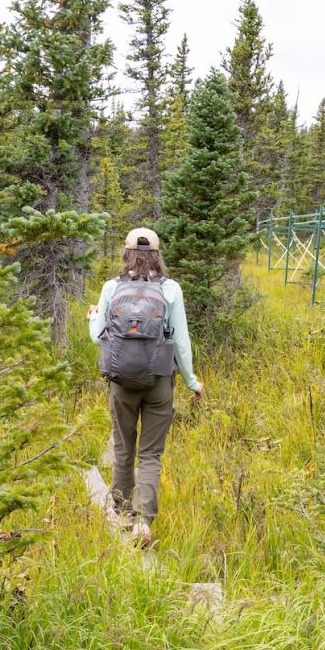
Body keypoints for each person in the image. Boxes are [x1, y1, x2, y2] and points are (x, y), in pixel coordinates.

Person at [88, 228, 204, 546]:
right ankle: (143, 523)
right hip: (159, 382)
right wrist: (192, 381)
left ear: (127, 253)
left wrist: (92, 318)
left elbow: (98, 336)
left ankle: (122, 513)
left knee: (123, 449)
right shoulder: (171, 289)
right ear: (157, 255)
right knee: (151, 454)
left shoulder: (111, 288)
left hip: (121, 382)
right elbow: (181, 341)